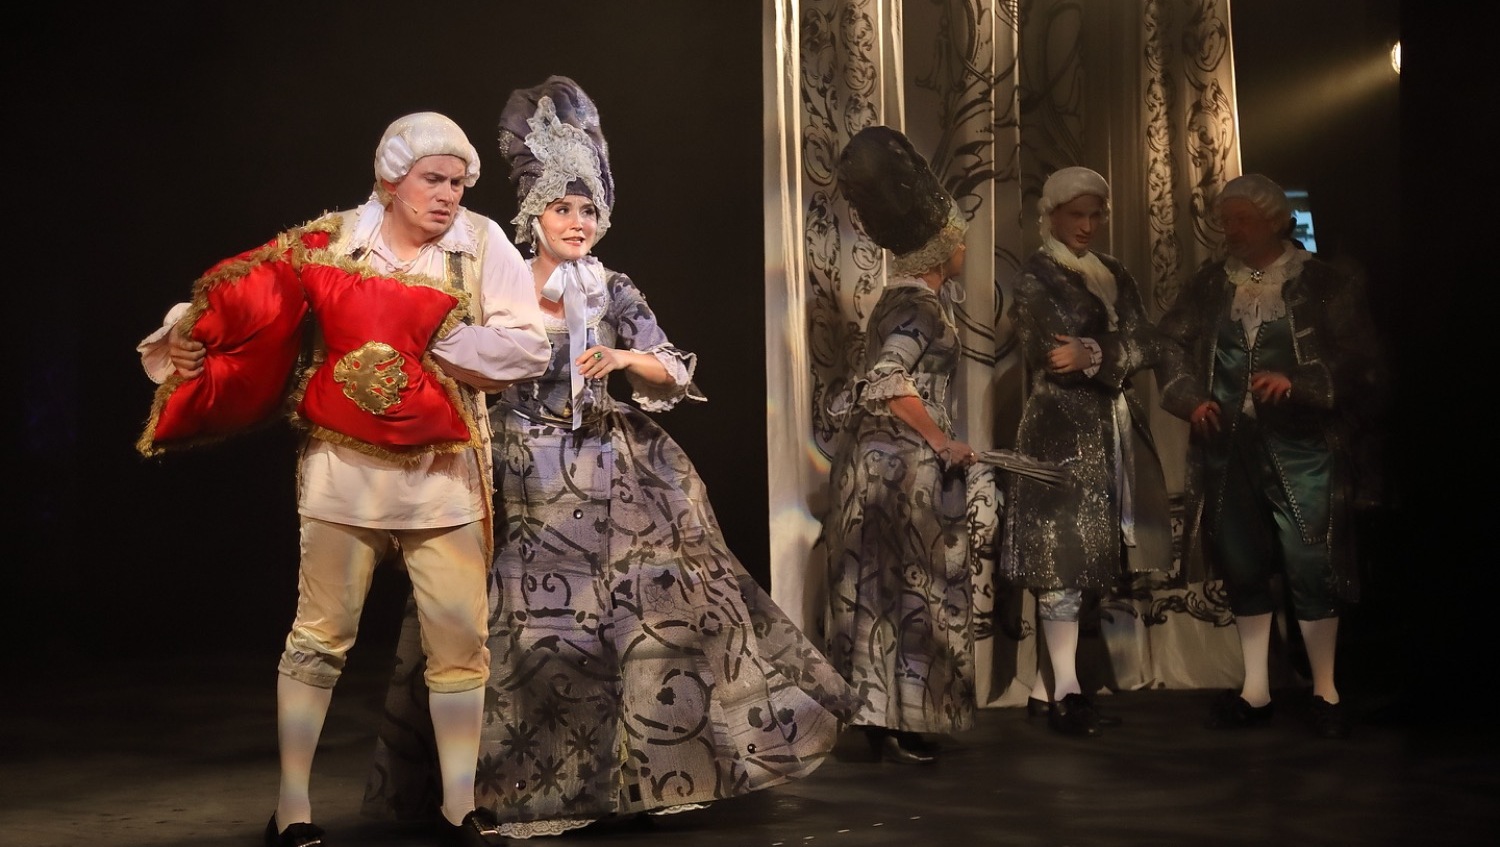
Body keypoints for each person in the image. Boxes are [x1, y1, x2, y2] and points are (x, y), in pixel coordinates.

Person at [361, 77, 859, 838]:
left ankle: (653, 772)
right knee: (530, 638)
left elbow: (672, 367)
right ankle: (525, 788)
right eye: (563, 208)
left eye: (588, 209)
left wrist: (624, 356)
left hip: (610, 471)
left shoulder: (610, 286)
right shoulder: (498, 279)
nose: (578, 222)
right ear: (533, 214)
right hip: (523, 475)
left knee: (640, 628)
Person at [137, 112, 551, 847]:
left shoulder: (481, 243)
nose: (448, 195)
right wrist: (186, 338)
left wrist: (437, 338)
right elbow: (249, 296)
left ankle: (460, 805)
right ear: (390, 180)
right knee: (320, 635)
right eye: (433, 180)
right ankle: (292, 807)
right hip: (344, 471)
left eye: (458, 183)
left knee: (460, 639)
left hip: (443, 472)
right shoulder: (333, 239)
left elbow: (528, 348)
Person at [1157, 173, 1382, 740]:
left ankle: (1326, 690)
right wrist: (1189, 397)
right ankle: (1254, 690)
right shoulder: (1212, 284)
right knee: (1241, 562)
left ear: (1276, 221)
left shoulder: (1321, 281)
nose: (1231, 230)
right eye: (1226, 220)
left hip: (1303, 447)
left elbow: (1360, 358)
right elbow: (1171, 343)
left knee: (1312, 562)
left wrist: (1300, 382)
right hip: (1228, 447)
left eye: (1243, 220)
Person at [817, 125, 979, 765]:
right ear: (943, 248)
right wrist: (941, 439)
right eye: (959, 239)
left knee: (875, 589)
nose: (964, 247)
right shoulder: (922, 309)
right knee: (916, 589)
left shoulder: (895, 299)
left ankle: (877, 718)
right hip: (904, 467)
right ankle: (907, 721)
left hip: (872, 462)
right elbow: (888, 377)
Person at [1000, 167, 1174, 738]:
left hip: (1109, 427)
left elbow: (1149, 341)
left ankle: (1045, 687)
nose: (1087, 224)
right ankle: (1067, 694)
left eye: (1096, 214)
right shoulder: (1036, 276)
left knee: (1096, 557)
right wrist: (1101, 353)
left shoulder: (1114, 272)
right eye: (1076, 214)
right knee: (1063, 557)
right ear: (1051, 215)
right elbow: (1055, 355)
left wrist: (1096, 351)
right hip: (1060, 431)